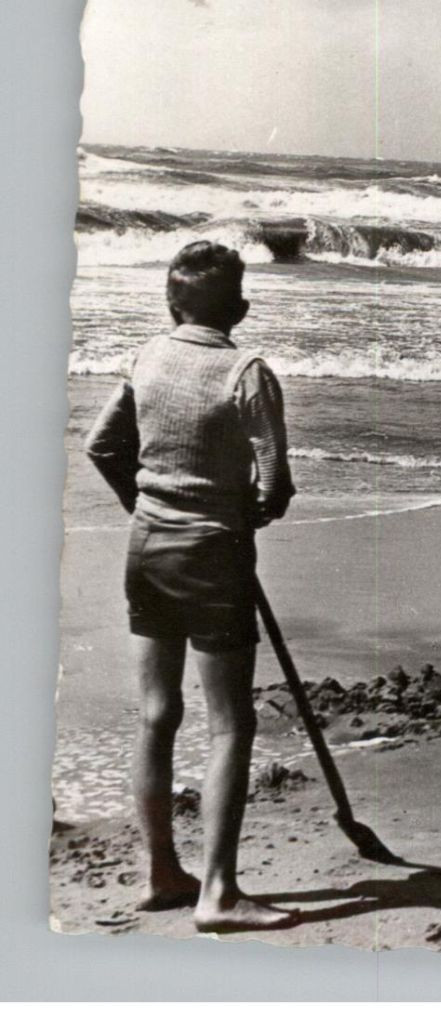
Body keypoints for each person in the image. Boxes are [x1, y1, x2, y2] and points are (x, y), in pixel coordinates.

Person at [83, 241, 297, 933]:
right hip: (213, 554)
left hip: (147, 547)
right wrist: (247, 512)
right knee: (232, 722)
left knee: (155, 713)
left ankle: (159, 873)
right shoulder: (247, 371)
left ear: (170, 303)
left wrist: (146, 505)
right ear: (239, 306)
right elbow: (275, 484)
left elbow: (101, 446)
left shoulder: (147, 356)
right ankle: (220, 892)